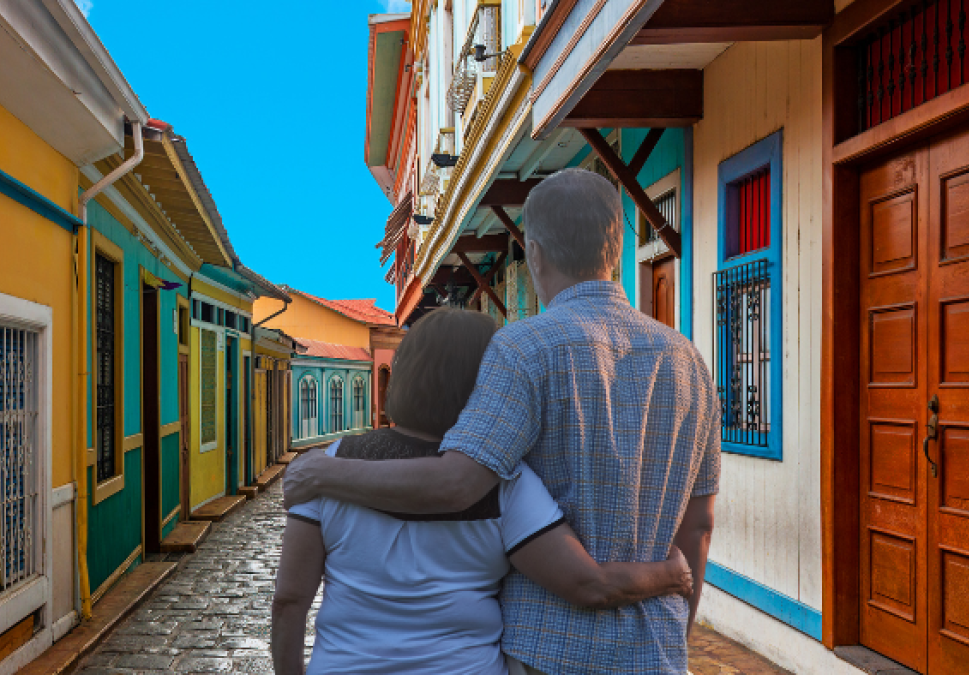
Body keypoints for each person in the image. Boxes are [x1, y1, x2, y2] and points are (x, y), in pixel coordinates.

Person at [284, 168, 721, 674]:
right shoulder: (690, 362)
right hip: (656, 651)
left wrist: (325, 472)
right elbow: (699, 525)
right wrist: (675, 631)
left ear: (533, 252)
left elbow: (457, 483)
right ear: (616, 245)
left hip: (547, 650)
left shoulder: (524, 348)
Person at [272, 308, 694, 675]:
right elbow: (588, 584)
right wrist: (669, 575)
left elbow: (290, 599)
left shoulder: (329, 465)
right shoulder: (503, 481)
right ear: (487, 387)